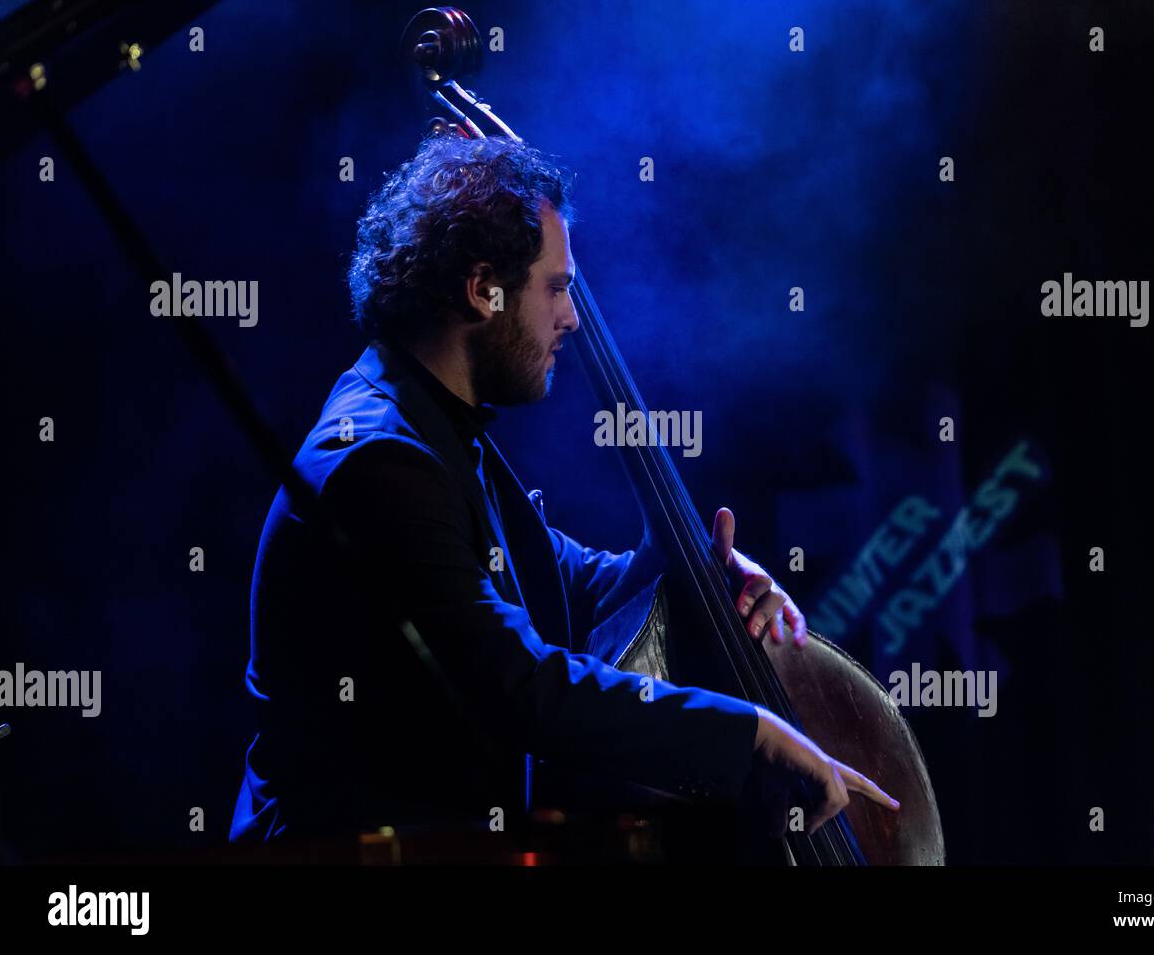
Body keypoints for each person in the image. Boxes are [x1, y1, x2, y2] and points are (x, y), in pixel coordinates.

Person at [229, 134, 898, 847]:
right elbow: (519, 686)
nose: (573, 318)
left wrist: (695, 569)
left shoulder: (438, 430)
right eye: (554, 288)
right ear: (483, 288)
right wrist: (751, 734)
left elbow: (564, 580)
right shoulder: (378, 463)